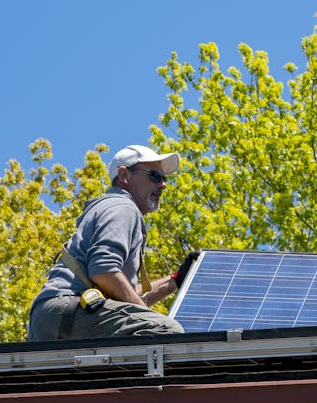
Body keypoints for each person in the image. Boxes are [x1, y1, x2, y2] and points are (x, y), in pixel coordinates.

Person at [28, 145, 198, 340]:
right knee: (166, 332)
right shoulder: (123, 207)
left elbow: (121, 292)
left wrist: (174, 281)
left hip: (55, 317)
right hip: (70, 309)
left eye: (164, 178)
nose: (163, 185)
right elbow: (104, 271)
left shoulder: (112, 208)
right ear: (125, 176)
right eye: (154, 176)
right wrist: (148, 316)